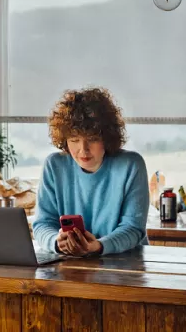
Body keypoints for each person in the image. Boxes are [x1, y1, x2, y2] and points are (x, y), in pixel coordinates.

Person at [31, 87, 149, 257]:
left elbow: (133, 228)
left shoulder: (131, 165)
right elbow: (42, 224)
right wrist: (56, 242)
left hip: (126, 264)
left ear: (107, 138)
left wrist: (98, 246)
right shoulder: (54, 165)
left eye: (93, 139)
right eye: (74, 140)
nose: (83, 150)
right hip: (70, 265)